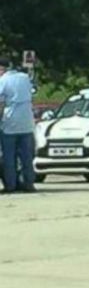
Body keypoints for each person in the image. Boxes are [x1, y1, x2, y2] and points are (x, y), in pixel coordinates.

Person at [0, 57, 37, 193]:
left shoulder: (3, 81)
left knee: (9, 156)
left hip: (10, 123)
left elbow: (1, 103)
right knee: (26, 156)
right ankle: (28, 183)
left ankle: (11, 185)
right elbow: (33, 93)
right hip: (27, 122)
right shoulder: (25, 78)